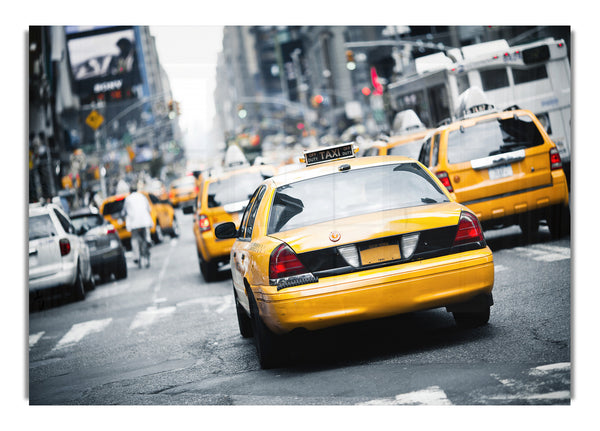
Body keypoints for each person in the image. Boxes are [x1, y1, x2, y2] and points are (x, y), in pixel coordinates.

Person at [123, 185, 153, 265]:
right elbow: (149, 209)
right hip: (145, 221)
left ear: (130, 191)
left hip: (134, 223)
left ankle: (136, 256)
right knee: (146, 235)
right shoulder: (142, 196)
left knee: (134, 240)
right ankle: (148, 240)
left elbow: (124, 212)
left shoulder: (128, 199)